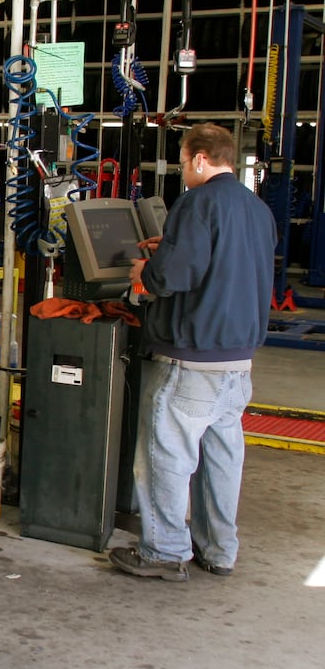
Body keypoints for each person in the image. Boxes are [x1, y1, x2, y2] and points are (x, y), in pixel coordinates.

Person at [109, 122, 276, 582]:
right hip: (237, 364)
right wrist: (172, 249)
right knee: (222, 459)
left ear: (201, 159)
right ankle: (219, 550)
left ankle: (163, 551)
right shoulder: (256, 209)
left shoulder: (197, 202)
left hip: (191, 359)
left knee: (166, 456)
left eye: (184, 162)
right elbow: (230, 262)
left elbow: (167, 280)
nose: (184, 171)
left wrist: (148, 267)